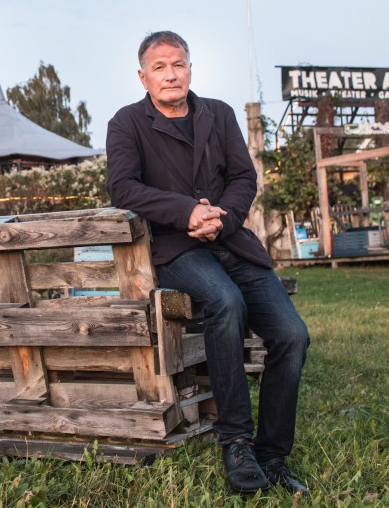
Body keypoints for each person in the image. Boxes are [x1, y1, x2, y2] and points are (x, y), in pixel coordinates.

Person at [106, 31, 310, 495]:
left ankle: (272, 453)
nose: (170, 74)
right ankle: (235, 441)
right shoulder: (126, 124)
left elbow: (243, 175)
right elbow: (123, 188)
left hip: (230, 239)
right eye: (159, 67)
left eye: (178, 63)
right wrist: (187, 213)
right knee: (226, 302)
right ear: (143, 77)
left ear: (191, 69)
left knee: (292, 335)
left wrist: (222, 218)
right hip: (176, 249)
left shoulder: (218, 113)